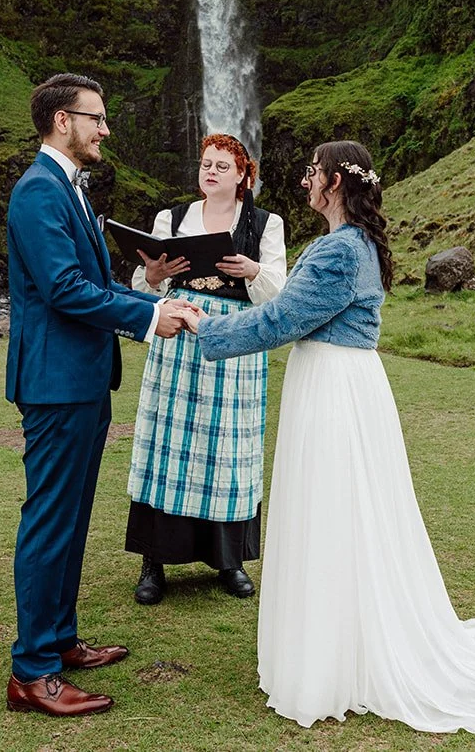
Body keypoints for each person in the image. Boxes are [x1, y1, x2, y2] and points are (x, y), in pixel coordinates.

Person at [188, 140, 475, 733]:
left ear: (334, 182)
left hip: (335, 389)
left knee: (335, 511)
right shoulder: (342, 244)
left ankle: (339, 661)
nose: (305, 180)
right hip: (334, 380)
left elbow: (283, 320)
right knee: (337, 512)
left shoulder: (338, 252)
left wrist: (205, 329)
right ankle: (337, 644)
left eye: (312, 172)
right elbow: (292, 309)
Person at [2, 73, 201, 718]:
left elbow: (92, 281)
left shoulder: (69, 188)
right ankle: (32, 672)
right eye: (97, 118)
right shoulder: (38, 192)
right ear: (63, 120)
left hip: (82, 381)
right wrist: (147, 319)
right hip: (57, 385)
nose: (106, 130)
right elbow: (63, 290)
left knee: (72, 518)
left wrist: (151, 297)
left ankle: (59, 642)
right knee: (51, 521)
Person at [125, 133, 287, 604]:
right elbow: (145, 284)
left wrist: (252, 272)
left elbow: (279, 291)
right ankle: (154, 561)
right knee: (168, 442)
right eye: (205, 164)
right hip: (177, 334)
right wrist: (153, 277)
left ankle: (229, 559)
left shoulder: (265, 223)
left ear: (242, 174)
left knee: (229, 445)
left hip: (237, 338)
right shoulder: (169, 219)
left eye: (221, 165)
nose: (210, 172)